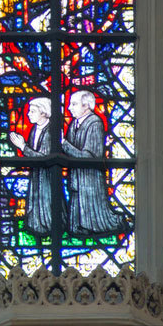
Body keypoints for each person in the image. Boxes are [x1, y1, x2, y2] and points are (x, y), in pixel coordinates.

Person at [62, 90, 128, 237]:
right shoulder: (74, 124)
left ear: (86, 106)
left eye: (73, 104)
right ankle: (78, 229)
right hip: (76, 175)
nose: (69, 108)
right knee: (75, 221)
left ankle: (109, 225)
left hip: (89, 176)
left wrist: (64, 144)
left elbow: (89, 156)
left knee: (93, 213)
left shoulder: (95, 123)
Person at [8, 97, 62, 237]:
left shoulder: (51, 131)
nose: (28, 114)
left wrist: (22, 147)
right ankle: (37, 226)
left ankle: (49, 227)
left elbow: (44, 158)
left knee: (46, 202)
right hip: (37, 174)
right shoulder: (34, 129)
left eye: (32, 111)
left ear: (43, 113)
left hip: (47, 176)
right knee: (36, 201)